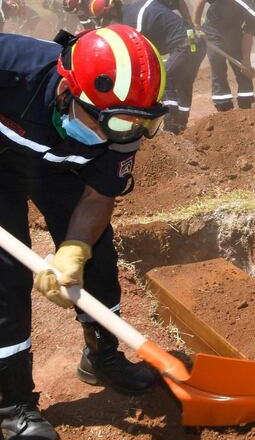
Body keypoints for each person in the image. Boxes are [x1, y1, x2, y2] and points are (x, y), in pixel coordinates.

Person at [0, 25, 167, 439]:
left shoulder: (127, 119)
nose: (120, 135)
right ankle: (11, 404)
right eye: (112, 122)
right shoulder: (10, 68)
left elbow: (98, 195)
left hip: (58, 168)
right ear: (67, 91)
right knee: (5, 275)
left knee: (98, 255)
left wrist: (74, 249)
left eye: (133, 124)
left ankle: (101, 356)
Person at [87, 0, 205, 134]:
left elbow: (137, 58)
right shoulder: (143, 2)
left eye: (103, 20)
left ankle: (171, 128)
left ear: (111, 11)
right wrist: (189, 23)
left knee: (165, 80)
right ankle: (181, 125)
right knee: (184, 85)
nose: (106, 25)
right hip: (194, 43)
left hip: (184, 46)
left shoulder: (134, 26)